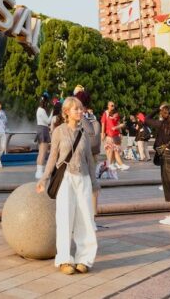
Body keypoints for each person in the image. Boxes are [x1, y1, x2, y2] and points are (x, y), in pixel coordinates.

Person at [37, 96, 98, 274]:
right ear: (66, 112)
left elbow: (90, 160)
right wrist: (44, 178)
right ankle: (64, 259)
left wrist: (94, 183)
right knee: (64, 218)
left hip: (83, 178)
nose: (80, 111)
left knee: (85, 218)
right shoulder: (58, 132)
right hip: (65, 179)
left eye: (81, 109)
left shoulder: (84, 133)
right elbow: (53, 158)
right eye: (76, 109)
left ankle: (84, 259)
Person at [101, 101, 129, 171]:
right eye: (111, 105)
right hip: (110, 135)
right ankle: (114, 164)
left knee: (115, 150)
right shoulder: (106, 113)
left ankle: (114, 164)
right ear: (108, 106)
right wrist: (102, 134)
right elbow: (103, 124)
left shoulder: (116, 114)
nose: (113, 107)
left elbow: (118, 123)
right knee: (111, 150)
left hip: (116, 135)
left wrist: (121, 133)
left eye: (113, 105)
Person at [35, 96, 53, 179]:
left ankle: (39, 171)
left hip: (41, 129)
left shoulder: (39, 110)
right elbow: (48, 121)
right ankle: (40, 172)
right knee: (43, 152)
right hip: (43, 129)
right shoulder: (41, 110)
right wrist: (52, 113)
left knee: (40, 152)